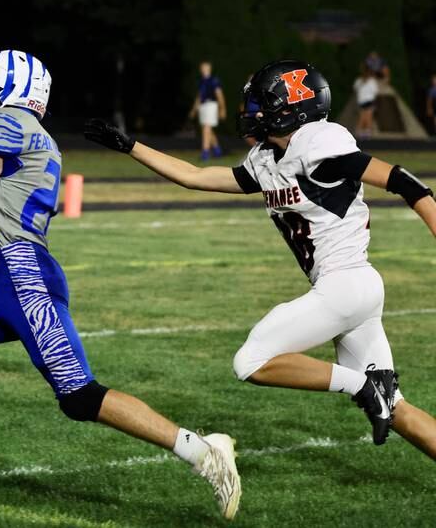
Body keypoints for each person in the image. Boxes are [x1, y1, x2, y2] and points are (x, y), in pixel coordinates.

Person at [0, 49, 241, 519]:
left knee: (79, 396)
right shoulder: (28, 132)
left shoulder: (4, 122)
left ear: (2, 86)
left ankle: (203, 451)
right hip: (6, 278)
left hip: (24, 276)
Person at [85, 60, 436, 464]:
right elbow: (195, 176)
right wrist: (130, 146)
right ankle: (369, 388)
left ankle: (361, 385)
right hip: (354, 291)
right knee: (397, 410)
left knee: (250, 361)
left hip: (345, 286)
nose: (252, 112)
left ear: (294, 108)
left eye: (262, 104)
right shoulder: (267, 159)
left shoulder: (318, 143)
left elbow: (405, 182)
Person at [188, 61, 226, 160]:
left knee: (206, 127)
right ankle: (217, 150)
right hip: (203, 106)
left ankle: (205, 152)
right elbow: (200, 96)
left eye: (205, 67)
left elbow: (219, 95)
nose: (203, 69)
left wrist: (222, 109)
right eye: (202, 67)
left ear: (209, 69)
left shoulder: (213, 80)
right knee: (207, 129)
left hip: (211, 105)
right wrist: (194, 109)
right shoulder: (201, 81)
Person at [353, 66, 378, 140]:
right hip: (362, 101)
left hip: (369, 101)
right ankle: (360, 134)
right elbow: (355, 89)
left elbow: (375, 91)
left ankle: (366, 134)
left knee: (367, 118)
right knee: (363, 118)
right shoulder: (359, 81)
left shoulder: (371, 81)